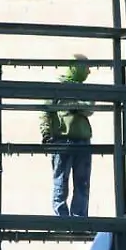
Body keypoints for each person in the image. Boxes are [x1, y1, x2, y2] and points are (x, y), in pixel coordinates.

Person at [41, 55, 94, 218]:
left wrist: (72, 105)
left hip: (83, 141)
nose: (88, 72)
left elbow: (90, 108)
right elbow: (45, 112)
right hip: (63, 140)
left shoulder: (85, 90)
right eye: (86, 67)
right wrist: (46, 133)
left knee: (82, 182)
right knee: (61, 181)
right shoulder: (58, 88)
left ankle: (78, 218)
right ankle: (62, 218)